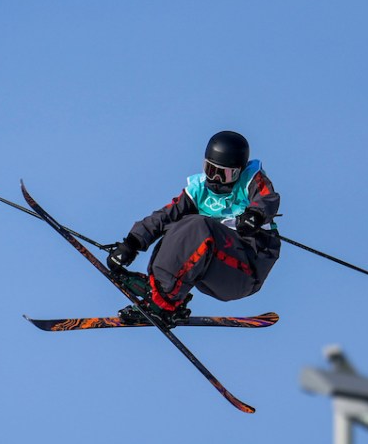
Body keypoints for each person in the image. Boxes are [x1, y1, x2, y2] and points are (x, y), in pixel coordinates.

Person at [106, 130, 281, 325]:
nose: (215, 179)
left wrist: (255, 215)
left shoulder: (250, 180)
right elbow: (164, 216)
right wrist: (131, 243)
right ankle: (160, 295)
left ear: (238, 171)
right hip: (214, 267)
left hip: (247, 267)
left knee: (198, 225)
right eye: (210, 170)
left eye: (223, 174)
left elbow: (267, 199)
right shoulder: (199, 190)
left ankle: (163, 301)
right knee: (178, 229)